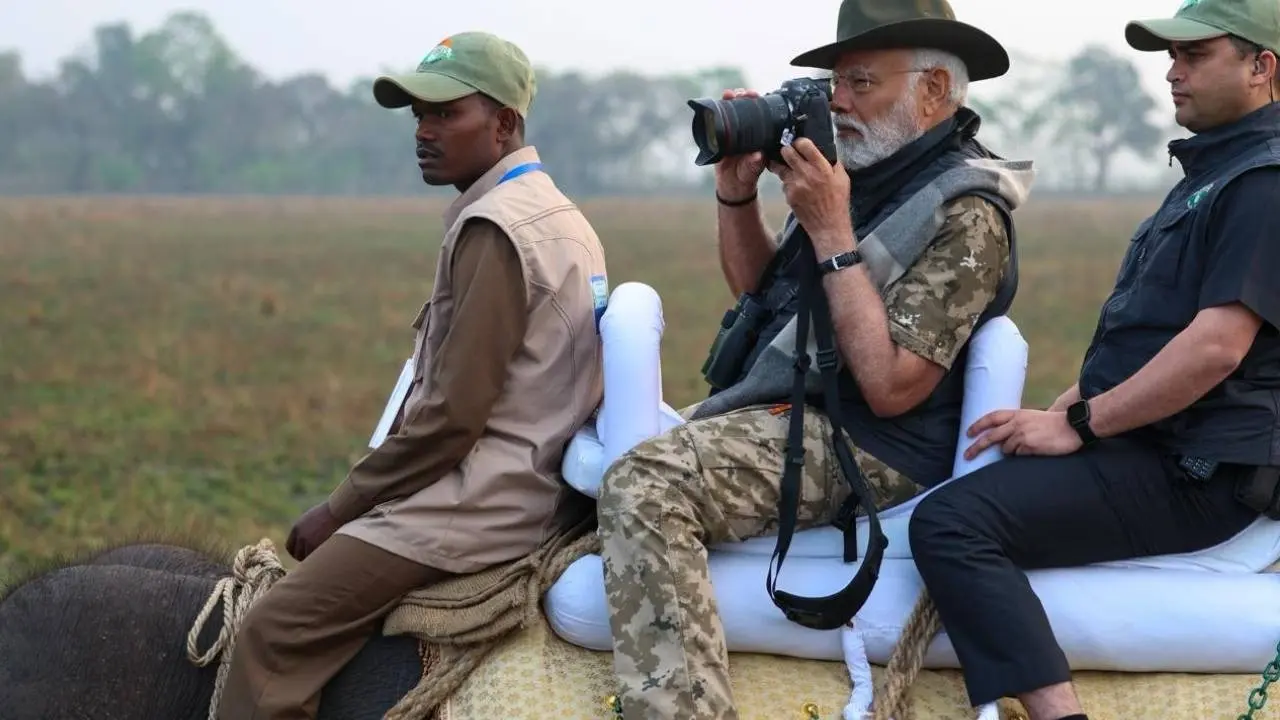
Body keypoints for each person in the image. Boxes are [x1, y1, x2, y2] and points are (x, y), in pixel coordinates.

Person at [595, 1, 1036, 717]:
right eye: (837, 82)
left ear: (932, 92)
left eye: (862, 82)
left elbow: (893, 386)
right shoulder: (863, 173)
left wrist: (832, 225)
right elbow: (765, 297)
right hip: (797, 406)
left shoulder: (967, 213)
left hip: (871, 440)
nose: (838, 100)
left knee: (647, 482)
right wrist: (737, 196)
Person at [215, 31, 610, 720]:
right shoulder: (554, 213)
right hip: (528, 483)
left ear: (505, 124)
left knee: (273, 634)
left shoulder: (496, 226)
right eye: (417, 117)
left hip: (482, 502)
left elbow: (451, 420)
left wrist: (338, 509)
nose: (424, 132)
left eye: (445, 114)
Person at [908, 0, 1280, 718]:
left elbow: (1213, 348)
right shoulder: (1217, 176)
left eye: (1195, 56)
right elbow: (1150, 338)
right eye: (1172, 57)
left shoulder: (1263, 183)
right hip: (1160, 449)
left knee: (953, 525)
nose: (1172, 73)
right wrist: (1056, 414)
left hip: (1200, 472)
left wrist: (1080, 425)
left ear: (1263, 66)